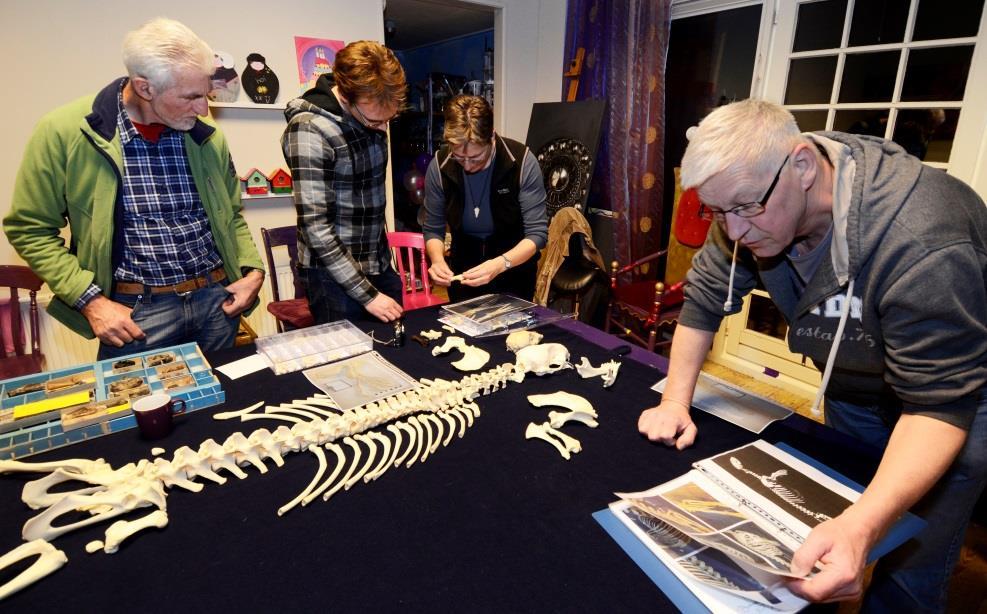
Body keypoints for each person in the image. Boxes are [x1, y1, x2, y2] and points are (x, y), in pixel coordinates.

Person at [637, 98, 987, 611]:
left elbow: (938, 404)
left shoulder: (924, 239)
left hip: (955, 406)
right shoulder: (748, 189)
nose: (734, 231)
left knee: (907, 568)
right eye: (720, 212)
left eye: (746, 208)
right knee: (834, 539)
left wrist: (866, 525)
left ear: (802, 166)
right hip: (853, 389)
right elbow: (705, 301)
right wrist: (674, 401)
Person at [3, 18, 266, 360]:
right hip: (136, 315)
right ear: (145, 88)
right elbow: (29, 230)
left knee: (228, 406)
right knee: (141, 413)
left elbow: (230, 214)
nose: (204, 109)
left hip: (217, 303)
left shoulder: (202, 131)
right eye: (191, 97)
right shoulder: (64, 132)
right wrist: (92, 302)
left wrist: (252, 270)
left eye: (207, 95)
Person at [281, 41, 405, 324]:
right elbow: (316, 226)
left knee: (398, 349)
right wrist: (368, 296)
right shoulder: (309, 129)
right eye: (374, 120)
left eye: (390, 119)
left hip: (376, 261)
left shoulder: (372, 111)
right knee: (348, 359)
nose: (383, 128)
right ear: (346, 97)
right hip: (331, 275)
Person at [422, 95, 548, 302]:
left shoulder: (522, 162)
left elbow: (537, 235)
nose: (468, 165)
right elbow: (433, 228)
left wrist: (500, 264)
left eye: (476, 157)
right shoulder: (440, 165)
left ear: (492, 138)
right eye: (459, 158)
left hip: (513, 272)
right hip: (463, 273)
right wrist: (437, 260)